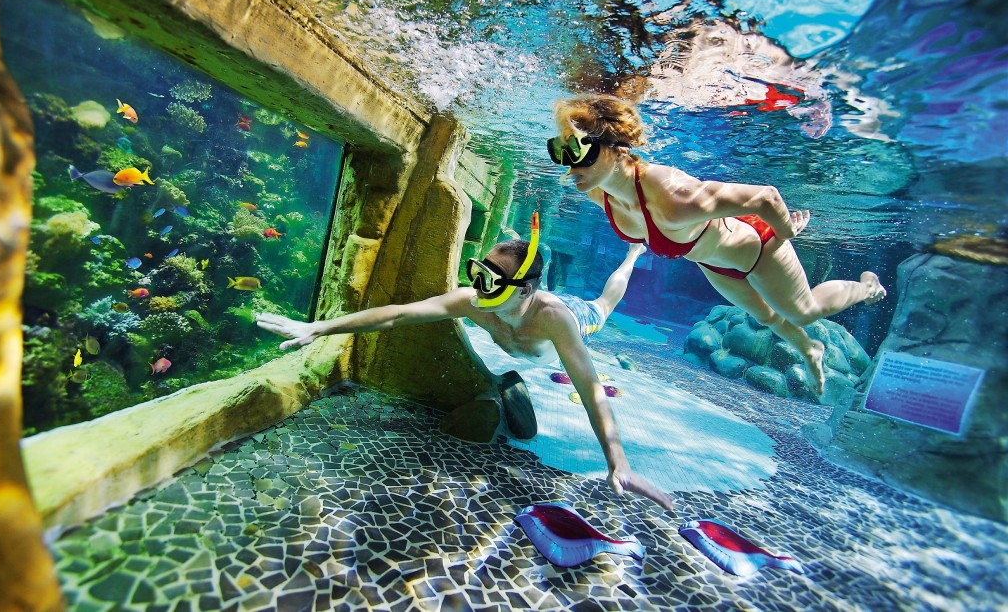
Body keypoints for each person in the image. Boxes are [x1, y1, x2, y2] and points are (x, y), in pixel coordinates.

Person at [256, 215, 674, 511]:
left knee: (602, 304)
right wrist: (318, 327)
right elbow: (398, 313)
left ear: (525, 289)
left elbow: (589, 389)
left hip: (581, 318)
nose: (478, 286)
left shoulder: (554, 320)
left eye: (491, 279)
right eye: (478, 271)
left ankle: (633, 256)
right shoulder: (473, 302)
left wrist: (617, 460)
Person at [548, 94, 887, 396]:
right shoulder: (599, 191)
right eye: (561, 150)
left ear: (614, 146)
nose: (569, 163)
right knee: (768, 318)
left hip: (759, 249)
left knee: (804, 311)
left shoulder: (673, 197)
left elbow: (765, 197)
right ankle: (809, 349)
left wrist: (786, 231)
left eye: (577, 149)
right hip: (712, 262)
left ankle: (865, 288)